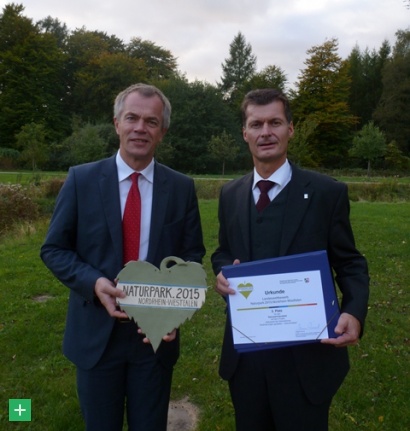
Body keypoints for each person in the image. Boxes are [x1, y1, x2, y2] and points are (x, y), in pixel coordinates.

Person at [40, 83, 205, 431]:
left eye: (151, 121)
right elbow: (54, 249)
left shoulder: (180, 187)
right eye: (131, 118)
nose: (140, 128)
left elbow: (191, 257)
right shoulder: (81, 180)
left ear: (162, 131)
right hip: (95, 334)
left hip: (154, 338)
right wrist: (94, 282)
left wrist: (173, 313)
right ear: (117, 123)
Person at [211, 88, 369, 431]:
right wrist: (222, 273)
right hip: (247, 357)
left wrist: (353, 313)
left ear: (290, 129)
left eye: (275, 122)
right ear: (245, 133)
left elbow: (350, 262)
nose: (265, 131)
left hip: (307, 359)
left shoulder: (327, 192)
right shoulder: (231, 194)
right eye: (256, 123)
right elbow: (224, 250)